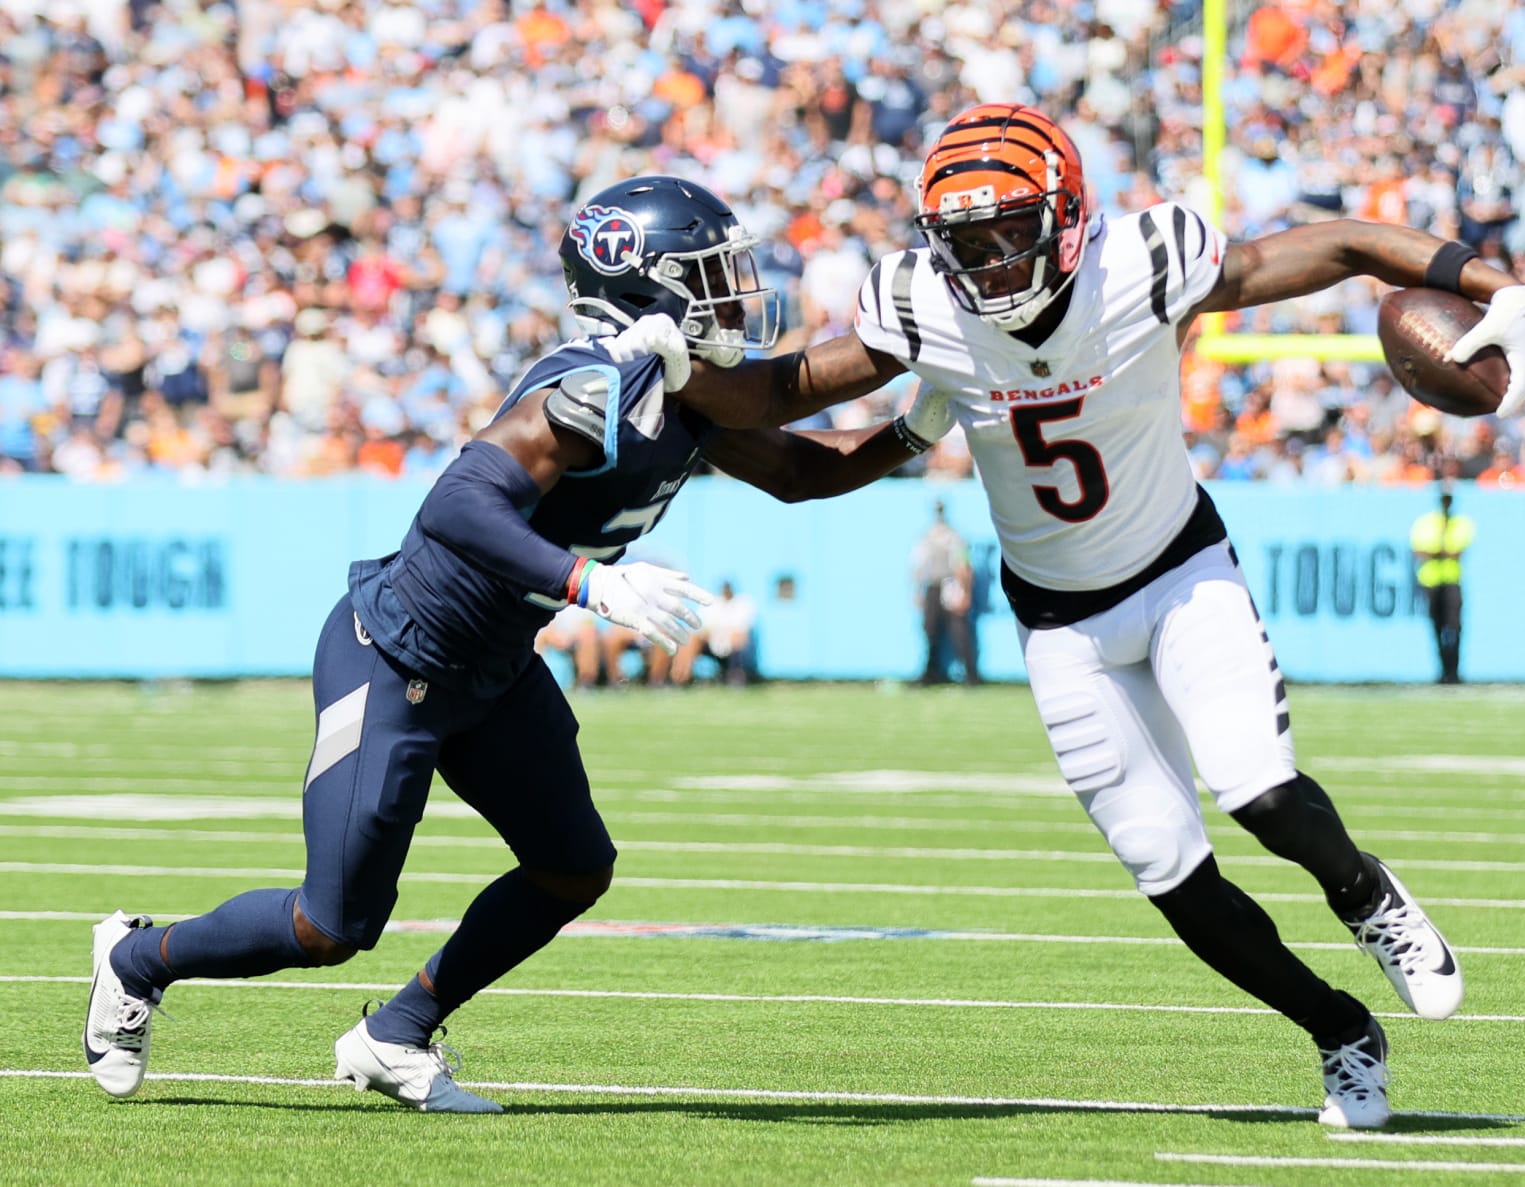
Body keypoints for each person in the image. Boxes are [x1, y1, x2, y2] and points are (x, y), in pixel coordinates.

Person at [663, 104, 1525, 1129]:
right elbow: (776, 399)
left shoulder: (1145, 263)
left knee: (1256, 788)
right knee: (1170, 869)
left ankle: (1366, 895)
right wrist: (665, 369)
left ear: (1069, 217)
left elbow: (1346, 246)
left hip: (1180, 572)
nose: (988, 267)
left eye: (1008, 237)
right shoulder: (919, 305)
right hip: (1061, 625)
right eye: (964, 245)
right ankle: (1339, 1028)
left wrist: (1494, 281)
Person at [82, 176, 955, 1113]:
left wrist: (914, 417)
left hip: (494, 670)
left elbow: (791, 444)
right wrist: (591, 582)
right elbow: (457, 504)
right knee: (331, 924)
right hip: (396, 655)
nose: (733, 294)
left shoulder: (683, 386)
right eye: (708, 274)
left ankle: (397, 1030)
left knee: (573, 864)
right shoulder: (591, 383)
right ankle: (134, 958)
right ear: (642, 284)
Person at [911, 500, 980, 685]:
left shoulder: (954, 536)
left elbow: (963, 565)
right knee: (930, 630)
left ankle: (971, 675)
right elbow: (919, 565)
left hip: (950, 583)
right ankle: (931, 672)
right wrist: (918, 590)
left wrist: (964, 590)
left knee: (959, 631)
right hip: (933, 586)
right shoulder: (928, 535)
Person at [1411, 487, 1476, 684]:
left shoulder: (1459, 524)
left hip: (1451, 581)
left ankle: (1453, 670)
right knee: (1437, 626)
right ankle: (1442, 670)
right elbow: (1421, 552)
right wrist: (1441, 551)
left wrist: (1437, 552)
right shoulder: (1427, 523)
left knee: (1454, 626)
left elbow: (1456, 552)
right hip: (1431, 582)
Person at [671, 579, 758, 685]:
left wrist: (721, 634)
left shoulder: (743, 603)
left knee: (737, 640)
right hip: (712, 642)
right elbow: (703, 628)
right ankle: (680, 676)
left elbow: (741, 630)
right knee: (691, 639)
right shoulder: (713, 604)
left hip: (732, 644)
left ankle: (736, 676)